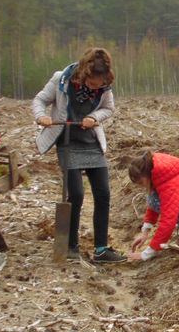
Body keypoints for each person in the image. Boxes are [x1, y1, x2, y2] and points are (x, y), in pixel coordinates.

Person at [32, 48, 126, 263]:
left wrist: (94, 117)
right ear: (84, 74)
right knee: (76, 195)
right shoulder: (61, 80)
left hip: (91, 142)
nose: (97, 87)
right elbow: (39, 100)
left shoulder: (104, 86)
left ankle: (101, 249)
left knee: (103, 194)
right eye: (93, 83)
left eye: (100, 84)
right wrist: (41, 117)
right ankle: (70, 245)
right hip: (67, 142)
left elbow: (109, 109)